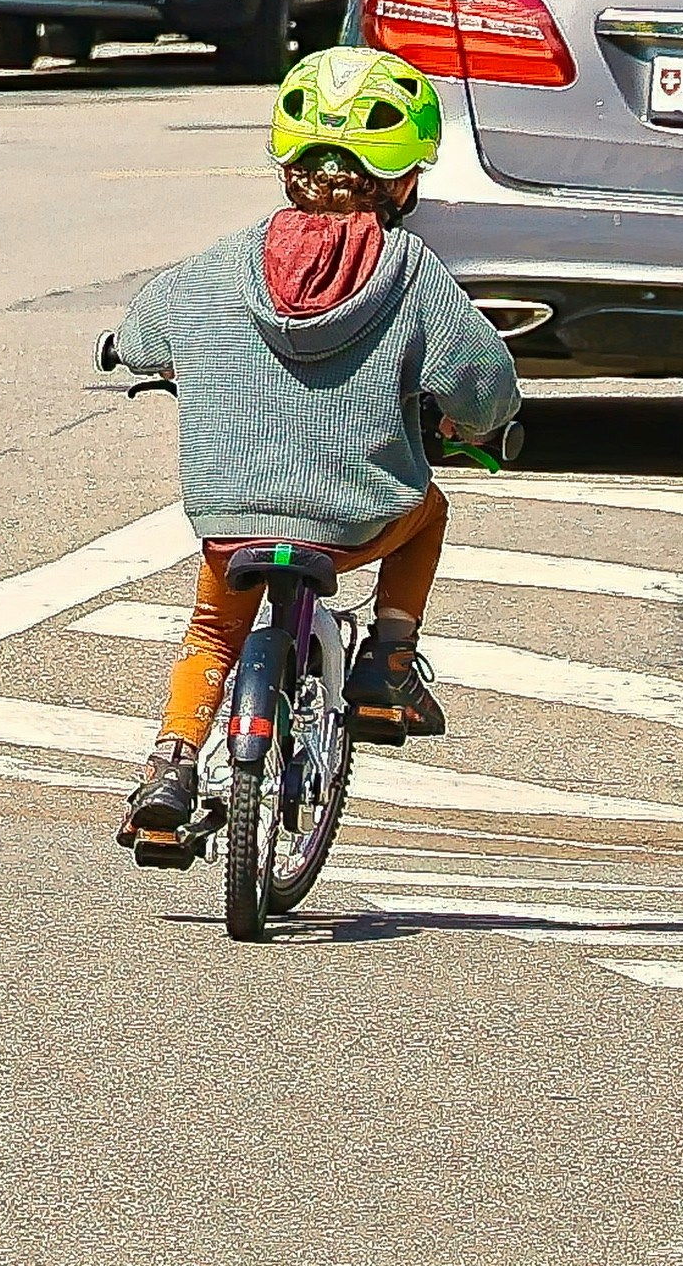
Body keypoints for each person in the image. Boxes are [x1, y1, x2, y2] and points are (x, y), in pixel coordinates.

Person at [94, 45, 523, 864]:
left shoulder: (216, 267)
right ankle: (389, 661)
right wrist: (484, 425)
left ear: (287, 164)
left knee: (212, 637)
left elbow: (144, 335)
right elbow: (480, 381)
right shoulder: (412, 274)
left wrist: (136, 353)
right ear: (402, 180)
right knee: (428, 510)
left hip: (233, 516)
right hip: (358, 521)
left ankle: (167, 772)